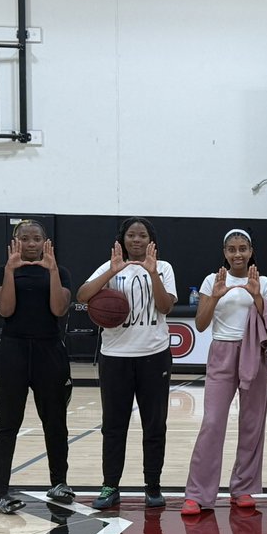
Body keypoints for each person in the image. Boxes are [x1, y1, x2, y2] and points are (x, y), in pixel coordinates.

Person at [77, 217, 176, 510]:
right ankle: (110, 486)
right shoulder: (111, 267)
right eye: (131, 235)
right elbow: (83, 297)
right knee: (114, 426)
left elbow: (165, 306)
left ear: (150, 240)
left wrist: (152, 272)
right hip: (115, 357)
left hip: (154, 354)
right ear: (123, 239)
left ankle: (153, 485)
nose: (136, 240)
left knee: (154, 425)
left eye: (142, 235)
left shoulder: (164, 267)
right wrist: (112, 269)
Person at [182, 228, 267, 515]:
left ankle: (243, 488)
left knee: (252, 423)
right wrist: (214, 296)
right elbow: (200, 324)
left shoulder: (263, 281)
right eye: (232, 249)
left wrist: (257, 296)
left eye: (243, 248)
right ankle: (198, 494)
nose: (237, 254)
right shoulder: (212, 280)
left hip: (254, 352)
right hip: (222, 352)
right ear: (224, 253)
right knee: (212, 422)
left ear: (251, 251)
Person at [0, 220, 75, 515]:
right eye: (24, 238)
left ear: (45, 242)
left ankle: (59, 482)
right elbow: (5, 309)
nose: (30, 243)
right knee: (7, 424)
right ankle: (1, 491)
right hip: (12, 351)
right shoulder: (3, 272)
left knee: (55, 422)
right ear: (15, 242)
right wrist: (10, 271)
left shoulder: (60, 272)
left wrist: (52, 271)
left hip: (49, 351)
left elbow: (59, 309)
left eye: (36, 238)